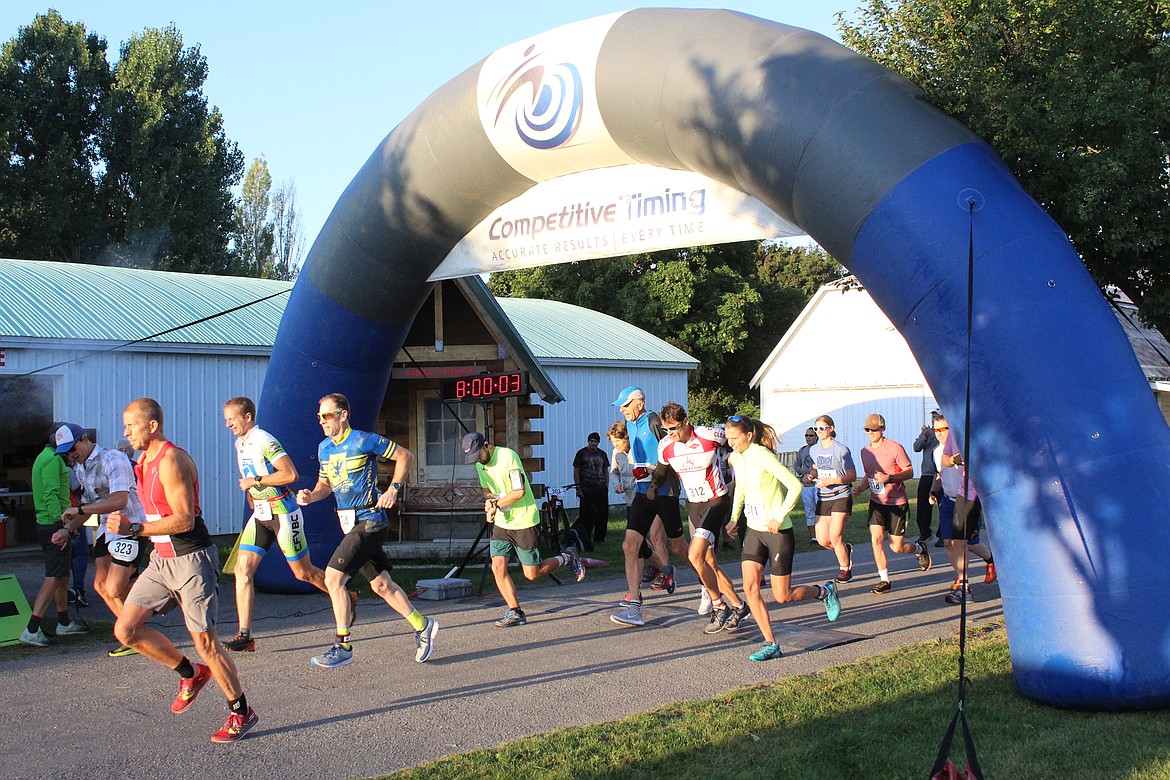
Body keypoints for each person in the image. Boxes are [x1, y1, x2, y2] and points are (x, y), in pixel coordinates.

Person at [107, 398, 258, 743]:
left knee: (206, 642)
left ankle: (241, 711)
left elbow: (185, 519)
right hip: (161, 561)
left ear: (152, 425)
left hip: (191, 560)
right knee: (125, 630)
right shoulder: (142, 462)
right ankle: (190, 673)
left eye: (131, 425)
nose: (125, 431)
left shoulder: (171, 460)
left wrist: (134, 530)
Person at [296, 393, 437, 667]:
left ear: (343, 415)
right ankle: (423, 626)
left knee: (333, 579)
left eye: (327, 415)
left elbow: (404, 456)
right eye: (319, 416)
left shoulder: (363, 439)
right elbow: (324, 485)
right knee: (381, 585)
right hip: (349, 523)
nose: (322, 421)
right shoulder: (324, 448)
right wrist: (310, 497)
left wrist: (394, 490)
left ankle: (343, 645)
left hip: (370, 520)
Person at [222, 396, 338, 653]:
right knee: (243, 572)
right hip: (261, 516)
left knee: (303, 573)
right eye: (226, 420)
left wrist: (256, 482)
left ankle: (341, 593)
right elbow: (248, 475)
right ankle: (245, 635)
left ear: (247, 417)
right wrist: (252, 493)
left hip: (283, 512)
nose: (228, 424)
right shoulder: (239, 444)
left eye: (232, 419)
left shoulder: (264, 439)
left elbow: (290, 474)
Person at [725, 415, 841, 661]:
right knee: (750, 587)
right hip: (754, 531)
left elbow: (794, 486)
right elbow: (741, 490)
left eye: (735, 438)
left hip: (778, 533)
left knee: (782, 596)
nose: (731, 443)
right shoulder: (737, 458)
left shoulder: (763, 456)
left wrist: (779, 516)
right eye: (728, 439)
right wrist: (735, 518)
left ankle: (824, 591)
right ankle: (771, 643)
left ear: (748, 435)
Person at [464, 431, 585, 627]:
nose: (478, 460)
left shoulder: (507, 456)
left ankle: (567, 556)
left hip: (524, 521)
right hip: (502, 524)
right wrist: (489, 503)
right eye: (473, 458)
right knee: (498, 567)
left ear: (486, 445)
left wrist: (497, 504)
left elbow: (518, 491)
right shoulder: (480, 465)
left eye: (478, 454)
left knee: (532, 574)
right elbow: (486, 490)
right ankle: (515, 611)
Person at [648, 403, 749, 634]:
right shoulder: (666, 445)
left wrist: (746, 464)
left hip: (716, 501)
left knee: (694, 555)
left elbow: (738, 440)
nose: (670, 434)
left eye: (673, 428)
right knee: (708, 562)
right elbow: (662, 471)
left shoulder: (708, 435)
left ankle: (719, 606)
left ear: (685, 422)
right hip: (695, 505)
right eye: (666, 429)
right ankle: (739, 606)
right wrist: (654, 485)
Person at [56, 421, 146, 658]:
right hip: (108, 528)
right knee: (100, 586)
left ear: (84, 439)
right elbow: (89, 509)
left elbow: (120, 501)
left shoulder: (112, 458)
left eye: (71, 448)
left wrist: (82, 510)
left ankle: (133, 630)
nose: (70, 455)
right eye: (65, 453)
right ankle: (132, 634)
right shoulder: (80, 468)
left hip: (130, 526)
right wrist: (66, 530)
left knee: (115, 587)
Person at [609, 386, 691, 628]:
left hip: (665, 492)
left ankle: (711, 588)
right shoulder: (631, 425)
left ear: (640, 403)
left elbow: (672, 456)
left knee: (678, 546)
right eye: (620, 406)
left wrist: (651, 470)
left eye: (625, 405)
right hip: (644, 493)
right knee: (630, 545)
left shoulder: (654, 421)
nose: (621, 410)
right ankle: (635, 607)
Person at [20, 423, 89, 646]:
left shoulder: (47, 457)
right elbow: (51, 495)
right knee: (53, 576)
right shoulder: (51, 460)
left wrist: (67, 523)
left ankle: (64, 622)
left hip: (53, 522)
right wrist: (62, 525)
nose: (70, 454)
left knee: (61, 574)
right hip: (53, 524)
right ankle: (31, 629)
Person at [852, 413, 932, 593]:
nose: (871, 432)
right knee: (876, 539)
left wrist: (889, 478)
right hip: (877, 502)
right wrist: (861, 488)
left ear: (882, 429)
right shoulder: (865, 452)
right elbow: (869, 474)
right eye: (868, 430)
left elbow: (909, 472)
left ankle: (919, 548)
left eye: (874, 429)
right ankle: (884, 580)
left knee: (897, 547)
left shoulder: (895, 447)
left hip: (897, 502)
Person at [930, 415, 996, 603]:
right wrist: (955, 459)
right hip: (956, 496)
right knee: (952, 542)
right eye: (936, 430)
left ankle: (975, 575)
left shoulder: (975, 432)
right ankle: (962, 583)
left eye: (942, 429)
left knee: (966, 543)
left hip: (974, 493)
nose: (939, 434)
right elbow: (945, 462)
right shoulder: (944, 444)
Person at [806, 415, 857, 584]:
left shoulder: (841, 450)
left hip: (841, 495)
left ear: (831, 429)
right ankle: (845, 550)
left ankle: (845, 570)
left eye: (822, 428)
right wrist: (810, 475)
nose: (818, 432)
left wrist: (831, 481)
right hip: (823, 497)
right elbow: (816, 467)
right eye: (816, 429)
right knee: (823, 540)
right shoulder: (814, 450)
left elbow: (852, 476)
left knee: (835, 536)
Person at [573, 432, 610, 547]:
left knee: (602, 515)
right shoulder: (581, 454)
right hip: (586, 489)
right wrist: (578, 487)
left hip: (600, 489)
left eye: (595, 441)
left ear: (598, 443)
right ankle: (585, 537)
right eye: (591, 441)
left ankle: (600, 539)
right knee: (586, 515)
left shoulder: (602, 454)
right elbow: (576, 471)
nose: (593, 443)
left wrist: (606, 486)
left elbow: (605, 471)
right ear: (588, 441)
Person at [912, 410, 942, 544]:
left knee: (942, 504)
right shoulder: (927, 433)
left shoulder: (943, 433)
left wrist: (935, 434)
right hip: (927, 474)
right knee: (923, 505)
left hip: (940, 475)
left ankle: (943, 534)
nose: (934, 419)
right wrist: (924, 437)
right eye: (933, 417)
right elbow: (916, 448)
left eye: (937, 417)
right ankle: (925, 532)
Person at [793, 427, 819, 544]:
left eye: (811, 435)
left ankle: (823, 535)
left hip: (819, 484)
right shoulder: (802, 450)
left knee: (821, 511)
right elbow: (796, 466)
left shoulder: (820, 449)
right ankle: (813, 537)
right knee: (809, 511)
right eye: (806, 435)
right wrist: (802, 471)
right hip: (806, 486)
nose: (808, 437)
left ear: (816, 437)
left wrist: (813, 474)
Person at [607, 421, 637, 512]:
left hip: (642, 496)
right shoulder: (616, 452)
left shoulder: (636, 449)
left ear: (626, 437)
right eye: (613, 441)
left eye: (618, 441)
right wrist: (617, 484)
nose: (615, 444)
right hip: (629, 498)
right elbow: (614, 472)